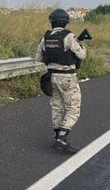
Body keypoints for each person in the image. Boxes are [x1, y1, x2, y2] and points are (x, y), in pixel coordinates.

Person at [35, 8, 87, 154]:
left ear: (52, 22)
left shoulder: (45, 37)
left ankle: (58, 136)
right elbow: (81, 55)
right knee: (73, 109)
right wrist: (82, 46)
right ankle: (63, 138)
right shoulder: (69, 36)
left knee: (56, 107)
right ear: (65, 22)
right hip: (67, 77)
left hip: (51, 76)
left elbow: (38, 57)